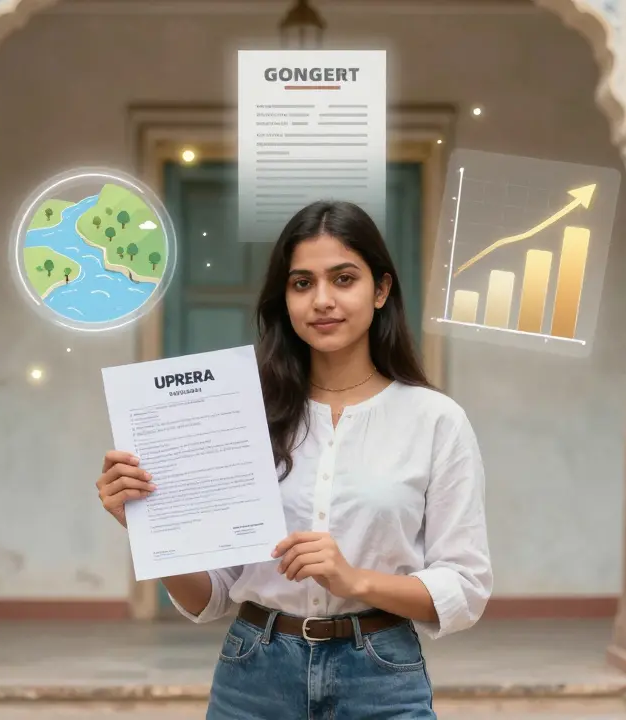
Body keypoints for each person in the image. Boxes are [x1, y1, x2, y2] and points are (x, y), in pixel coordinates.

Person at [95, 200, 492, 719]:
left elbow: (465, 586)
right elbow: (208, 597)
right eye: (302, 283)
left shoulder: (436, 420)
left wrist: (354, 581)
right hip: (253, 675)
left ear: (381, 289)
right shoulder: (239, 414)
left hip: (381, 678)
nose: (322, 300)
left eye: (343, 278)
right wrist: (150, 526)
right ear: (284, 299)